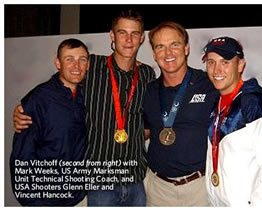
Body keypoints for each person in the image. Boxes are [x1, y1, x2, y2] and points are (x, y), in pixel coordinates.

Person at [12, 9, 156, 206]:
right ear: (112, 35)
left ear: (142, 38)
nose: (129, 39)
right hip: (99, 184)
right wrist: (25, 108)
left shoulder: (147, 75)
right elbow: (59, 83)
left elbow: (146, 123)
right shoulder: (91, 66)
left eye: (135, 33)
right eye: (122, 32)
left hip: (135, 180)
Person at [202, 36, 262, 206]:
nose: (216, 70)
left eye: (225, 62)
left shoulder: (256, 104)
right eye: (211, 62)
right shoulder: (216, 102)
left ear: (240, 64)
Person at [143, 21, 218, 206]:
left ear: (186, 48)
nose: (168, 53)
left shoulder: (209, 84)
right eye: (160, 47)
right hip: (157, 189)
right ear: (154, 54)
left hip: (198, 189)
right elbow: (145, 131)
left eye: (174, 45)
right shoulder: (149, 91)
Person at [10, 38, 89, 206]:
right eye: (69, 59)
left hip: (78, 196)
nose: (77, 66)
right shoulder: (39, 99)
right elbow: (22, 155)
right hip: (48, 200)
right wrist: (33, 202)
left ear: (88, 65)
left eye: (82, 59)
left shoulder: (84, 96)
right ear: (58, 63)